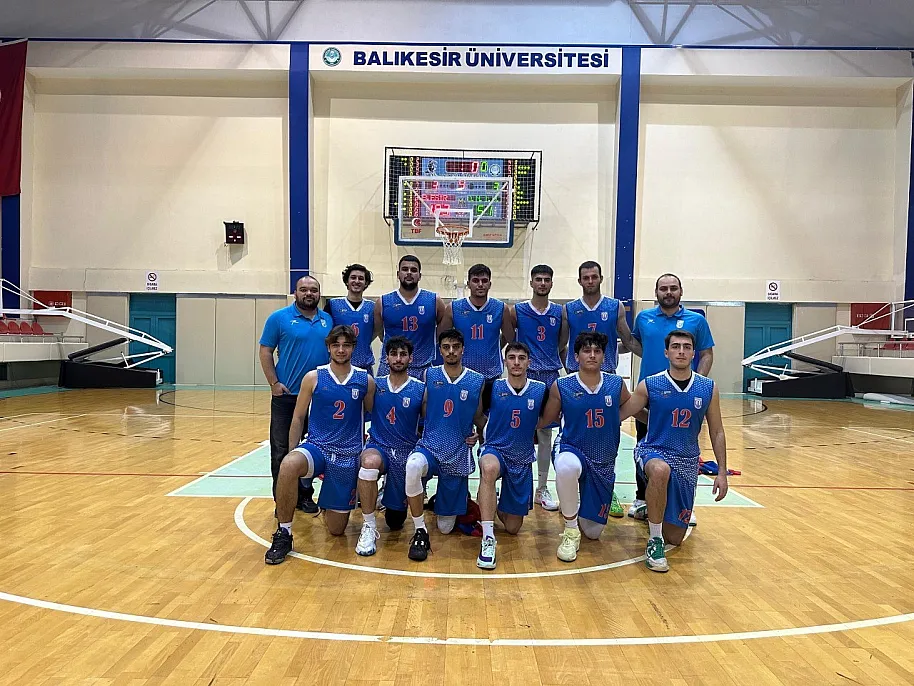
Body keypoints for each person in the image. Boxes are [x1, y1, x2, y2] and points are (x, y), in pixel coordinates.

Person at [264, 325, 375, 565]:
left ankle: (328, 503)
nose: (341, 350)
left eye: (346, 345)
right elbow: (298, 418)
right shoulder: (313, 377)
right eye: (336, 345)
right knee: (288, 465)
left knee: (336, 530)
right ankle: (284, 532)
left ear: (353, 348)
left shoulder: (365, 380)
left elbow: (372, 414)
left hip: (347, 455)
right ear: (328, 348)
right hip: (317, 447)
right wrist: (293, 451)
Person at [620, 330, 728, 572]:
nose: (681, 351)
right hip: (653, 450)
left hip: (687, 459)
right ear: (666, 352)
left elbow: (717, 431)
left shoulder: (708, 388)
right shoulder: (650, 384)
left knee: (676, 537)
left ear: (694, 353)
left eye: (686, 347)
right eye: (676, 346)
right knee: (660, 470)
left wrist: (721, 472)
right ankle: (654, 540)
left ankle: (653, 507)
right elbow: (624, 411)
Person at [628, 273, 714, 522]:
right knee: (644, 445)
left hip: (683, 398)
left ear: (681, 291)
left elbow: (707, 354)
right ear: (656, 293)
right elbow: (636, 345)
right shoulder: (644, 318)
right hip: (649, 395)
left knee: (683, 449)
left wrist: (695, 385)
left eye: (673, 288)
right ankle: (642, 498)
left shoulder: (696, 321)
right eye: (663, 288)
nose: (668, 292)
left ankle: (682, 503)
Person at [540, 331, 630, 562]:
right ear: (576, 356)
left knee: (593, 532)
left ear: (603, 356)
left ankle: (575, 507)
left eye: (597, 351)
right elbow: (546, 419)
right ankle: (570, 529)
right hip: (572, 447)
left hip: (603, 458)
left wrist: (656, 422)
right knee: (566, 467)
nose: (592, 355)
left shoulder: (616, 384)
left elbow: (632, 408)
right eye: (586, 351)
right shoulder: (562, 385)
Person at [404, 328, 486, 562]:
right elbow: (421, 409)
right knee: (412, 466)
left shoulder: (476, 380)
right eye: (446, 347)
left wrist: (480, 434)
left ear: (463, 350)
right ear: (439, 350)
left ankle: (442, 500)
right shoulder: (429, 375)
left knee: (446, 528)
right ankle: (420, 529)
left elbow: (478, 415)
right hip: (429, 447)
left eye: (455, 347)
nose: (451, 351)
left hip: (457, 453)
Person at [259, 275, 332, 515]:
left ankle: (305, 496)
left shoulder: (327, 320)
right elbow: (265, 351)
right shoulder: (279, 318)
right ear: (295, 293)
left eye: (313, 290)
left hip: (319, 398)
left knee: (313, 449)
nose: (309, 293)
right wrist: (274, 383)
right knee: (282, 450)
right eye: (304, 289)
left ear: (319, 294)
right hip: (287, 396)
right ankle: (283, 501)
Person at [475, 342, 548, 570]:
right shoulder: (492, 387)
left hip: (522, 458)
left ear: (529, 362)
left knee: (513, 528)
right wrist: (485, 431)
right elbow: (477, 414)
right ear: (505, 361)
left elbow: (546, 419)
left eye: (521, 358)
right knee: (488, 468)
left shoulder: (540, 390)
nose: (516, 362)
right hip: (495, 449)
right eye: (512, 357)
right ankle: (488, 538)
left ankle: (491, 501)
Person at [504, 264, 568, 512]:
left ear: (551, 283)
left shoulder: (560, 312)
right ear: (531, 282)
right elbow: (511, 341)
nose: (542, 283)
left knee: (545, 434)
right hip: (525, 376)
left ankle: (541, 488)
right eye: (538, 279)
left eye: (546, 279)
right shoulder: (517, 311)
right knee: (517, 430)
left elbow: (561, 342)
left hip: (550, 376)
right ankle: (512, 483)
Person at [354, 336, 425, 556]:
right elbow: (360, 411)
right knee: (369, 462)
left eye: (403, 354)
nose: (398, 358)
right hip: (379, 445)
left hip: (405, 452)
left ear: (411, 358)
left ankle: (388, 496)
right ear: (386, 358)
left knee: (395, 522)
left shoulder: (420, 389)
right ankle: (368, 525)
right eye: (393, 354)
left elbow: (430, 424)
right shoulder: (375, 385)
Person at [375, 255, 448, 381]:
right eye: (405, 269)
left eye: (413, 270)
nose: (409, 273)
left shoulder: (434, 300)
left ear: (420, 276)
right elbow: (380, 333)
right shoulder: (383, 302)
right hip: (390, 366)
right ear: (398, 274)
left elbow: (442, 331)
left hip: (423, 367)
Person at [448, 263, 506, 405]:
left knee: (488, 417)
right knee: (463, 416)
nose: (480, 284)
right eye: (475, 280)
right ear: (468, 284)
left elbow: (511, 337)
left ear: (490, 284)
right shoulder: (454, 308)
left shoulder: (500, 308)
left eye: (484, 281)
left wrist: (494, 346)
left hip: (492, 375)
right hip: (462, 375)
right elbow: (442, 338)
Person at [325, 263, 377, 374]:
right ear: (347, 281)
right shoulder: (333, 304)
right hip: (339, 365)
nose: (357, 281)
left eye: (361, 278)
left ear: (366, 283)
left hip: (364, 366)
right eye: (353, 277)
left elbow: (377, 331)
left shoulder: (373, 307)